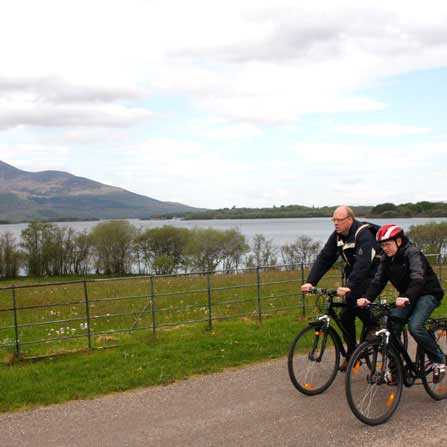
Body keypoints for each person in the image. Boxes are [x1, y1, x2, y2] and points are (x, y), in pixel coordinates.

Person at [357, 224, 446, 382]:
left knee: (415, 326)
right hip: (407, 296)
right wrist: (367, 298)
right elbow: (378, 282)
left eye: (388, 244)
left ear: (399, 241)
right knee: (391, 325)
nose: (385, 248)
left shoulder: (412, 253)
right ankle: (396, 370)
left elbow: (418, 278)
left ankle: (438, 360)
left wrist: (407, 296)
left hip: (428, 294)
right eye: (382, 245)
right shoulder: (386, 259)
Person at [301, 205, 380, 370]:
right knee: (345, 316)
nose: (335, 223)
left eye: (339, 220)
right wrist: (311, 282)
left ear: (349, 220)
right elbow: (325, 258)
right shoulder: (337, 236)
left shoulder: (364, 234)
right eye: (333, 220)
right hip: (355, 274)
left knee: (355, 300)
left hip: (374, 273)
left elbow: (363, 264)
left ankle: (374, 326)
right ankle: (353, 353)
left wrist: (349, 286)